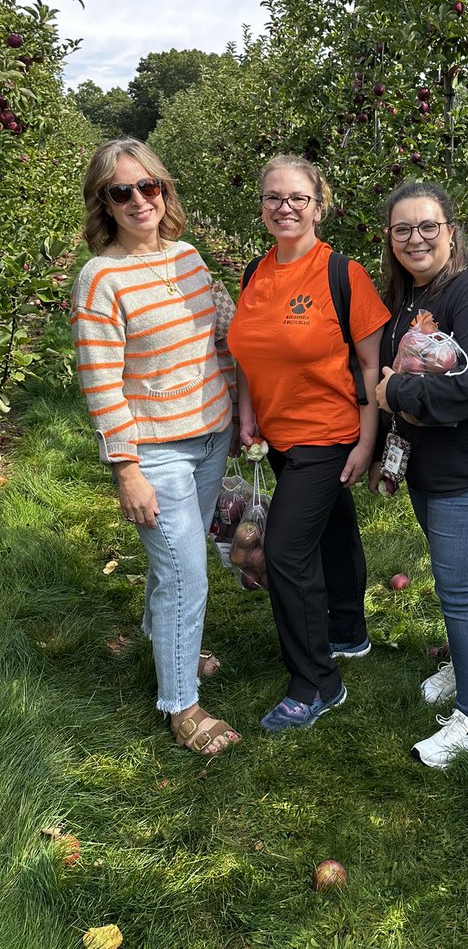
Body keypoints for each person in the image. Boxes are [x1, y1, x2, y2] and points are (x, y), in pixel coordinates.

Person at [71, 138, 240, 755]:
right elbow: (100, 381)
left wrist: (237, 412)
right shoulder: (99, 279)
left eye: (150, 186)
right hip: (157, 451)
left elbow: (220, 339)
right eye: (122, 191)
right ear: (104, 202)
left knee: (177, 565)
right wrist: (126, 469)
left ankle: (169, 643)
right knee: (186, 575)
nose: (139, 200)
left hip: (211, 434)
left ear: (164, 190)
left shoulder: (189, 258)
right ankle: (181, 705)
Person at [228, 154, 389, 732]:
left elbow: (370, 367)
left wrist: (366, 442)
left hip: (328, 434)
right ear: (262, 207)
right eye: (274, 197)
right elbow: (249, 350)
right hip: (277, 433)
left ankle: (316, 682)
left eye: (298, 197)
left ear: (319, 207)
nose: (285, 207)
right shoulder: (256, 272)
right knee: (333, 530)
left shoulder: (343, 275)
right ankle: (347, 630)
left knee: (286, 552)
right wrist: (247, 414)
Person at [370, 181, 468, 768]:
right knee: (451, 582)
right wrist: (389, 437)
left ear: (451, 231)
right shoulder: (408, 294)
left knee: (461, 590)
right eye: (402, 229)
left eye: (427, 226)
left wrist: (397, 394)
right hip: (430, 462)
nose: (415, 238)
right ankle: (466, 667)